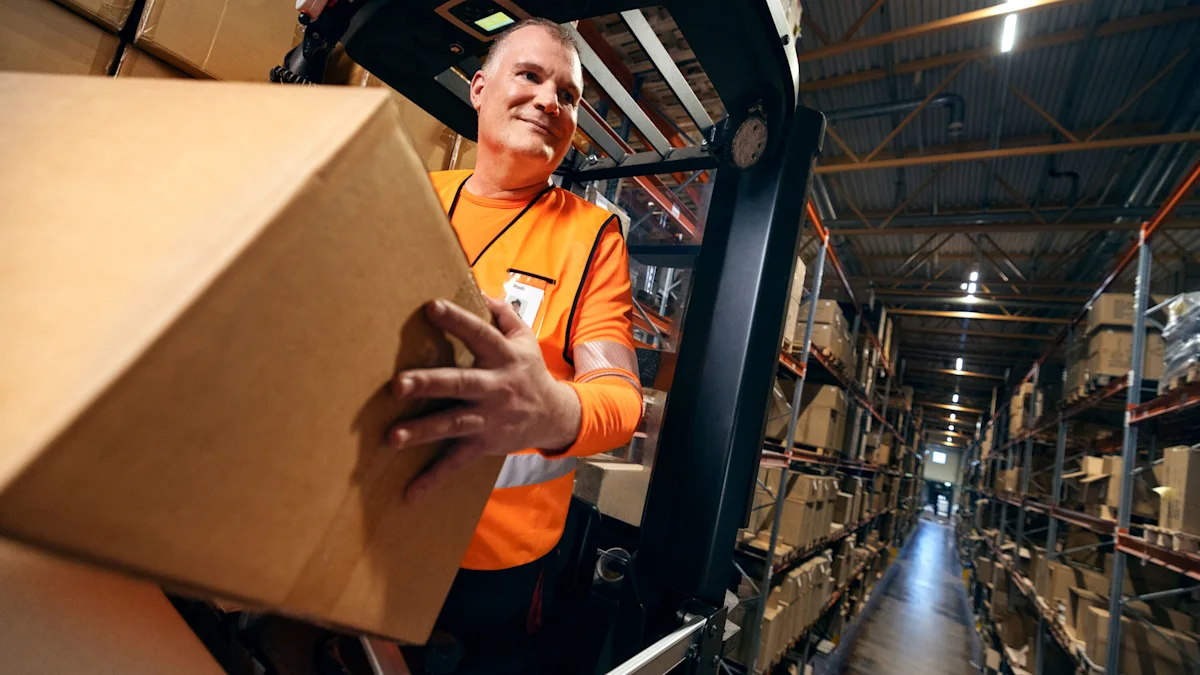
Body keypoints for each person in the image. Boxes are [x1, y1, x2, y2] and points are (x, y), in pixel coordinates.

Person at [387, 18, 644, 674]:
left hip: (494, 569)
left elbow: (620, 397)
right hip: (376, 519)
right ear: (478, 88)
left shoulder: (591, 235)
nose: (549, 100)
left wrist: (552, 412)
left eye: (568, 95)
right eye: (529, 75)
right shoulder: (415, 196)